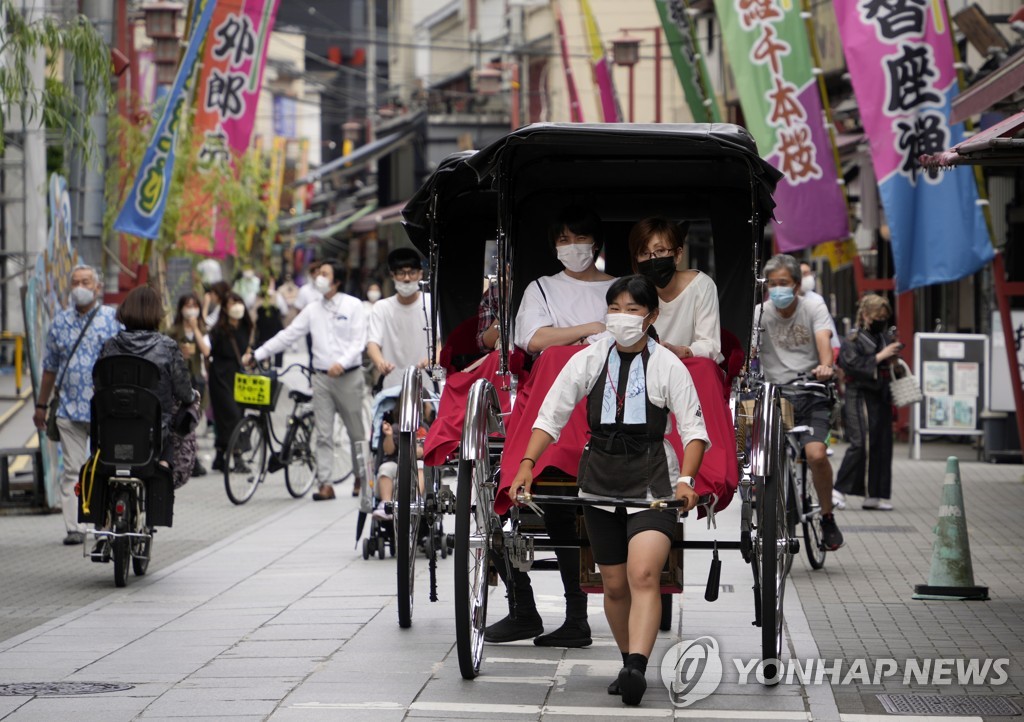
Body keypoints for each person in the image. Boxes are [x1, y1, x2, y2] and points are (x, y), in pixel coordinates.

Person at [508, 274, 707, 706]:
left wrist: (687, 481)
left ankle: (636, 666)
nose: (622, 317)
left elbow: (694, 430)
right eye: (614, 308)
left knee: (643, 575)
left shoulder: (666, 364)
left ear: (652, 316)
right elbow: (550, 416)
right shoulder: (590, 358)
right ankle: (627, 659)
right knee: (614, 584)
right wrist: (527, 464)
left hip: (653, 478)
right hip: (599, 477)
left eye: (633, 310)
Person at [245, 261, 368, 502]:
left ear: (337, 280)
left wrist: (341, 363)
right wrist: (257, 354)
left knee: (356, 432)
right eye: (318, 274)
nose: (319, 278)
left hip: (349, 377)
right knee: (322, 434)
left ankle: (361, 477)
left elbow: (358, 341)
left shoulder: (353, 306)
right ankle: (325, 483)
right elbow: (287, 335)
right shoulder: (312, 310)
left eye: (324, 274)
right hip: (320, 378)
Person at [755, 254, 844, 551]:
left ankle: (827, 517)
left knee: (816, 454)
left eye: (784, 283)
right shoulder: (760, 313)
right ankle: (772, 510)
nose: (777, 289)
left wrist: (826, 365)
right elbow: (749, 351)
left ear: (796, 285)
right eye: (773, 284)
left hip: (810, 392)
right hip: (776, 396)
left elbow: (824, 338)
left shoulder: (812, 306)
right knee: (764, 458)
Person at [33, 264, 122, 545]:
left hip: (105, 408)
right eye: (75, 282)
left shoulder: (112, 319)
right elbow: (50, 368)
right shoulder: (60, 322)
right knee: (73, 468)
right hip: (69, 409)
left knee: (104, 466)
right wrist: (41, 405)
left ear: (97, 287)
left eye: (85, 282)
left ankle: (103, 521)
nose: (80, 287)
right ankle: (75, 527)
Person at [99, 286, 197, 482]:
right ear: (156, 313)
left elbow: (99, 387)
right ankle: (165, 468)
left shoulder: (110, 346)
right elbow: (185, 393)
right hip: (156, 431)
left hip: (112, 428)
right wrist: (194, 398)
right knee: (183, 413)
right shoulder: (167, 347)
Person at [513, 205, 615, 354]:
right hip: (556, 373)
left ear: (596, 243)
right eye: (564, 240)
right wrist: (592, 328)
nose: (572, 246)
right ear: (555, 246)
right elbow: (533, 340)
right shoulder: (541, 288)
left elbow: (626, 334)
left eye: (581, 238)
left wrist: (564, 340)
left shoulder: (621, 287)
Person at [834, 294, 903, 510]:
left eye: (884, 316)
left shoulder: (884, 337)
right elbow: (852, 365)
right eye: (877, 316)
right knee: (859, 442)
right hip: (859, 394)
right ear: (865, 315)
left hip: (881, 394)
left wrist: (893, 360)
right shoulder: (853, 340)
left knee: (881, 443)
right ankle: (839, 489)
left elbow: (890, 366)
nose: (881, 320)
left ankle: (875, 494)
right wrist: (881, 357)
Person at [628, 217, 722, 362]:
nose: (652, 259)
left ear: (678, 254)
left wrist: (682, 351)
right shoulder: (633, 292)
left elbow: (710, 345)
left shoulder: (702, 286)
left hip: (689, 368)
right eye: (644, 253)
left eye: (660, 251)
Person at [367, 248, 432, 390]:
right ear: (392, 275)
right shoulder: (381, 307)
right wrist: (380, 363)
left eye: (412, 273)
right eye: (401, 273)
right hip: (392, 386)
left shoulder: (431, 303)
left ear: (420, 274)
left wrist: (434, 360)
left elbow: (441, 341)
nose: (407, 278)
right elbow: (372, 344)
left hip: (427, 385)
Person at [208, 292, 255, 472]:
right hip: (220, 376)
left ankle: (220, 457)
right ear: (225, 309)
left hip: (238, 377)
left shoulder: (246, 327)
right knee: (232, 415)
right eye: (231, 303)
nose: (236, 306)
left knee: (231, 415)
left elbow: (248, 348)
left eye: (238, 301)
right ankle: (237, 457)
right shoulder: (219, 329)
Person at [167, 293, 211, 476]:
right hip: (178, 381)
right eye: (188, 305)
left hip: (197, 380)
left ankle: (193, 458)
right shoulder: (173, 331)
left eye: (194, 305)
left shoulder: (202, 329)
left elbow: (207, 351)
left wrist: (196, 329)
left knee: (194, 420)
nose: (191, 308)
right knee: (180, 419)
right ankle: (185, 458)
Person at [799, 262, 841, 354]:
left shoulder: (816, 299)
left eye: (809, 273)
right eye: (804, 274)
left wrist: (835, 349)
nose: (809, 277)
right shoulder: (785, 299)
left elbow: (828, 325)